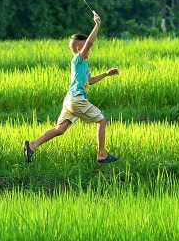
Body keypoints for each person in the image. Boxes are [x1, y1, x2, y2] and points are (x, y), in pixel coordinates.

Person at [24, 10, 120, 164]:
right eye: (85, 48)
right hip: (77, 99)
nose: (88, 50)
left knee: (60, 130)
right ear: (78, 50)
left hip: (70, 99)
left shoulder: (84, 64)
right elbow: (89, 43)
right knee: (102, 121)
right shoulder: (77, 60)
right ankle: (101, 154)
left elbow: (90, 80)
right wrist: (97, 25)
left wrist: (106, 73)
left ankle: (32, 145)